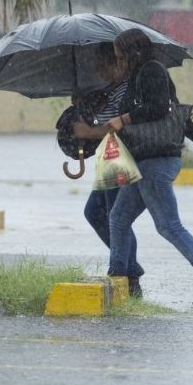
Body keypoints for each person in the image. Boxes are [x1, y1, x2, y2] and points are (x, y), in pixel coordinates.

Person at [105, 28, 193, 307]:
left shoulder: (151, 71)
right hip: (144, 161)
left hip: (157, 160)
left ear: (132, 52)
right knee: (118, 218)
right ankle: (117, 279)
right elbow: (179, 116)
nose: (118, 62)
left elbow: (161, 110)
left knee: (168, 226)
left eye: (120, 56)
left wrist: (123, 119)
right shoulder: (138, 77)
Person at [71, 44, 145, 297]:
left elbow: (115, 127)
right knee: (96, 212)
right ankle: (128, 267)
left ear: (119, 63)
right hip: (109, 158)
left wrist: (88, 131)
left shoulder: (127, 90)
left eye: (105, 67)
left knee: (117, 219)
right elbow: (104, 119)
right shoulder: (111, 90)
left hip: (121, 158)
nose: (101, 73)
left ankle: (129, 273)